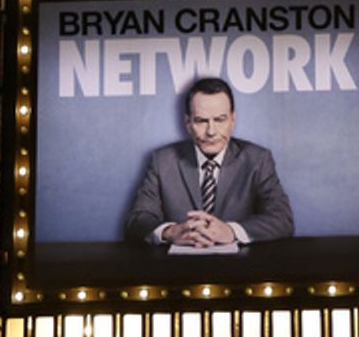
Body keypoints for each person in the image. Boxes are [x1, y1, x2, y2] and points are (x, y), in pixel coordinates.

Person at [125, 77, 293, 247]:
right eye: (201, 121)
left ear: (232, 120)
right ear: (188, 123)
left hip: (240, 269)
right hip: (179, 269)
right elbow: (137, 221)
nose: (211, 131)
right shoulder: (162, 161)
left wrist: (231, 231)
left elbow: (282, 218)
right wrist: (171, 231)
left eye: (220, 120)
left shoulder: (257, 159)